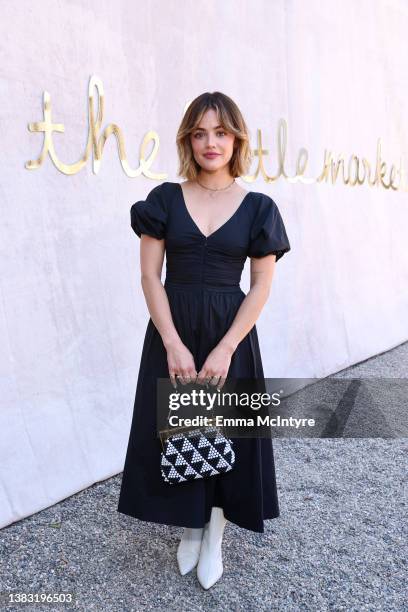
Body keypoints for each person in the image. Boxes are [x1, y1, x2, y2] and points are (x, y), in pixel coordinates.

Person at [117, 91, 291, 590]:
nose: (209, 142)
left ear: (236, 138)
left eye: (219, 132)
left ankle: (214, 532)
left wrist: (227, 346)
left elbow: (261, 285)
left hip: (229, 334)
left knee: (224, 432)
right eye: (199, 133)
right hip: (173, 329)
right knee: (180, 430)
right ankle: (190, 525)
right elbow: (151, 277)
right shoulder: (164, 200)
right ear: (187, 140)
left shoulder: (259, 207)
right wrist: (171, 340)